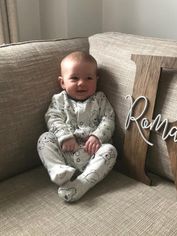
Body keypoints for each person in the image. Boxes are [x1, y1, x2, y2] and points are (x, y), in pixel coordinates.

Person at [37, 51, 117, 202]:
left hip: (91, 152)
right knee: (44, 139)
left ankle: (82, 184)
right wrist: (64, 136)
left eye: (88, 78)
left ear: (96, 80)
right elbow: (52, 117)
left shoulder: (99, 99)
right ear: (62, 82)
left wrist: (97, 136)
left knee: (110, 151)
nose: (81, 83)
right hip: (65, 150)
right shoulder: (59, 100)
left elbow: (109, 119)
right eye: (74, 78)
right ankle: (57, 170)